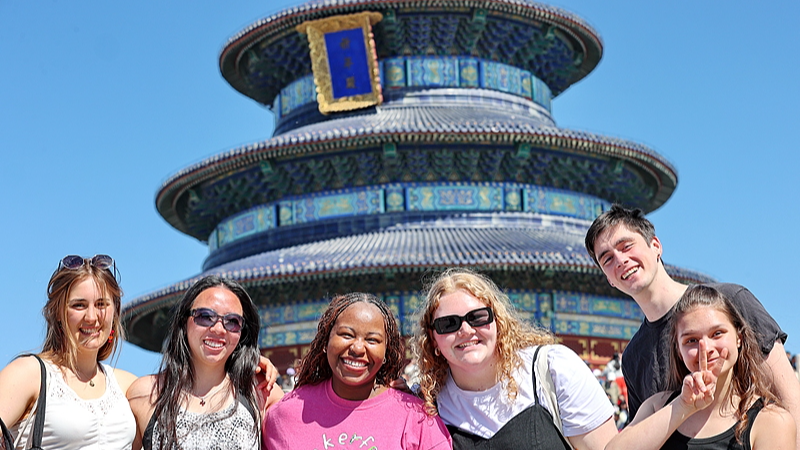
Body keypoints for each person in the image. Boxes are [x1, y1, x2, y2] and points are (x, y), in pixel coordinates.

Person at [585, 204, 800, 446]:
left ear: (655, 246)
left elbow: (790, 396)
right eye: (607, 259)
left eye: (626, 246)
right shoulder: (635, 356)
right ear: (608, 279)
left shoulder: (730, 302)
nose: (621, 260)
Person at [414, 268, 617, 449]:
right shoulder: (425, 404)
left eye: (477, 317)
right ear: (433, 339)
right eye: (448, 324)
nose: (465, 330)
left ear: (498, 322)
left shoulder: (551, 371)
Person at [606, 284, 796, 449]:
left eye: (717, 334)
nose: (705, 348)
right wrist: (682, 406)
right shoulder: (657, 406)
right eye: (691, 340)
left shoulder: (770, 421)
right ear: (678, 350)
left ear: (738, 337)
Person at [264, 292, 452, 450]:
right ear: (325, 342)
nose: (358, 348)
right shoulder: (286, 414)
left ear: (386, 351)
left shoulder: (417, 419)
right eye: (346, 335)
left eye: (372, 340)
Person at [127, 275, 284, 450]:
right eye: (205, 316)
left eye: (232, 322)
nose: (218, 329)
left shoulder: (260, 392)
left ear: (242, 333)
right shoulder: (146, 394)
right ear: (184, 322)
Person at [0, 254, 137, 449]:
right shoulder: (30, 374)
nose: (91, 317)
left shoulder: (127, 386)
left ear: (115, 311)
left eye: (101, 304)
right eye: (79, 305)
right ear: (58, 313)